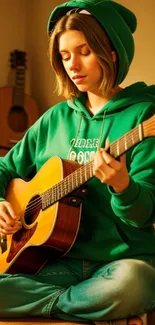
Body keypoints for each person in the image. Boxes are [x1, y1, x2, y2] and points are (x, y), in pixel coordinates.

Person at [0, 0, 155, 324]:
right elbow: (5, 169)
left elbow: (144, 216)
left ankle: (101, 303)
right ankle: (89, 308)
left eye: (83, 52)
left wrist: (122, 186)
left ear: (111, 52)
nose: (72, 65)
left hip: (119, 265)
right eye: (64, 55)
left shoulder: (143, 116)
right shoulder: (55, 118)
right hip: (51, 263)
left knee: (135, 282)